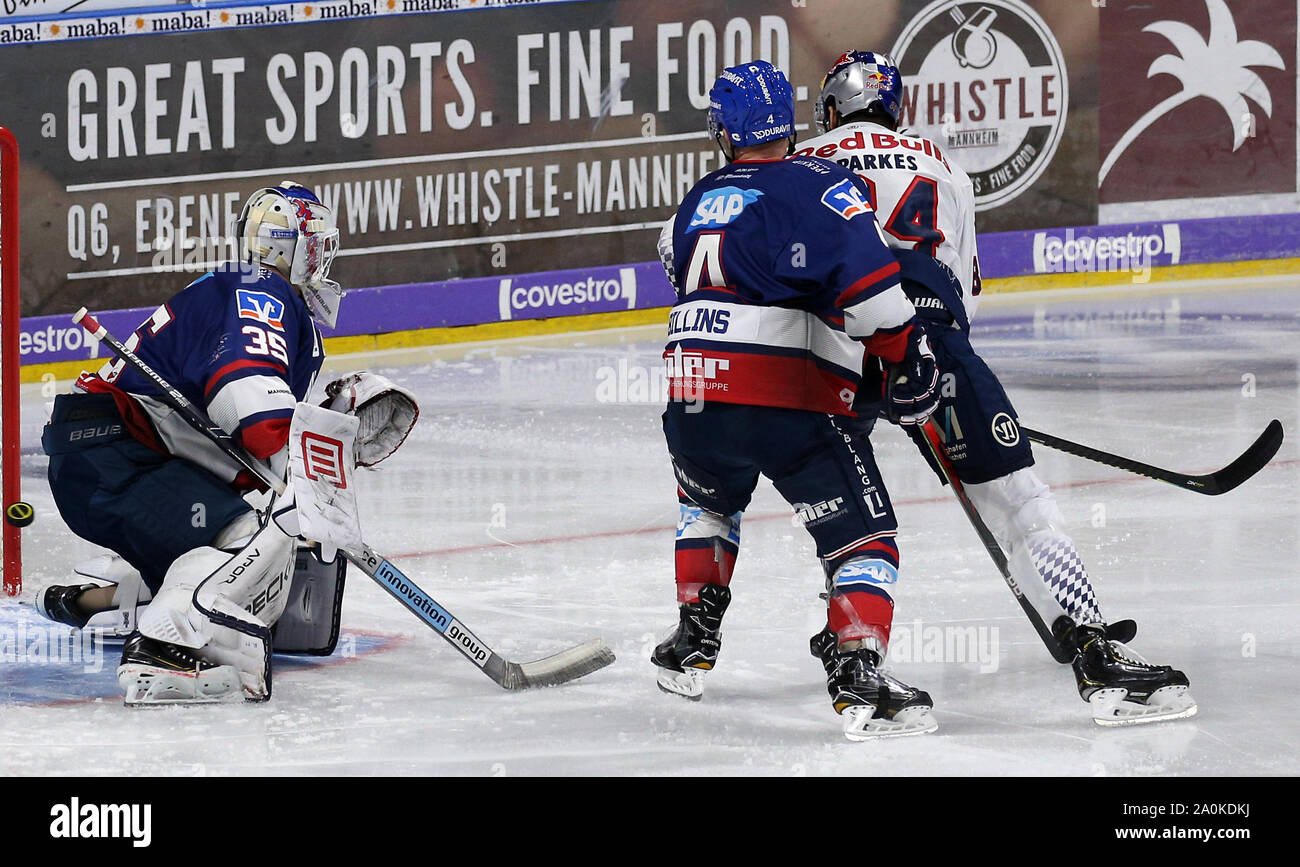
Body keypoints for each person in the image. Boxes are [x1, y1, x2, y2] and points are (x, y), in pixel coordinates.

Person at [799, 51, 1196, 726]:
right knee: (1018, 503)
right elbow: (963, 293)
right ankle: (1095, 653)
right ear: (894, 106)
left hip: (827, 347)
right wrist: (954, 402)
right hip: (928, 339)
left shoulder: (803, 162)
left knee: (849, 518)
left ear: (833, 106)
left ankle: (851, 653)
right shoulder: (940, 162)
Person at [651, 60, 945, 740]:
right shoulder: (824, 184)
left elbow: (682, 264)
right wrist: (905, 363)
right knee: (864, 540)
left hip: (691, 394)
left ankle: (693, 638)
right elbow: (874, 296)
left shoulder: (697, 196)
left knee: (707, 502)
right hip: (784, 397)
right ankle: (857, 669)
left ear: (725, 132)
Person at [36, 182, 417, 705]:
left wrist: (323, 430)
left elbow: (244, 436)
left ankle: (106, 601)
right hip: (122, 454)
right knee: (250, 534)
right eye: (318, 245)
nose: (324, 259)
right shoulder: (262, 290)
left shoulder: (242, 284)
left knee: (238, 529)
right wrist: (309, 466)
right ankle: (167, 650)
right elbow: (252, 413)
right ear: (294, 247)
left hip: (102, 454)